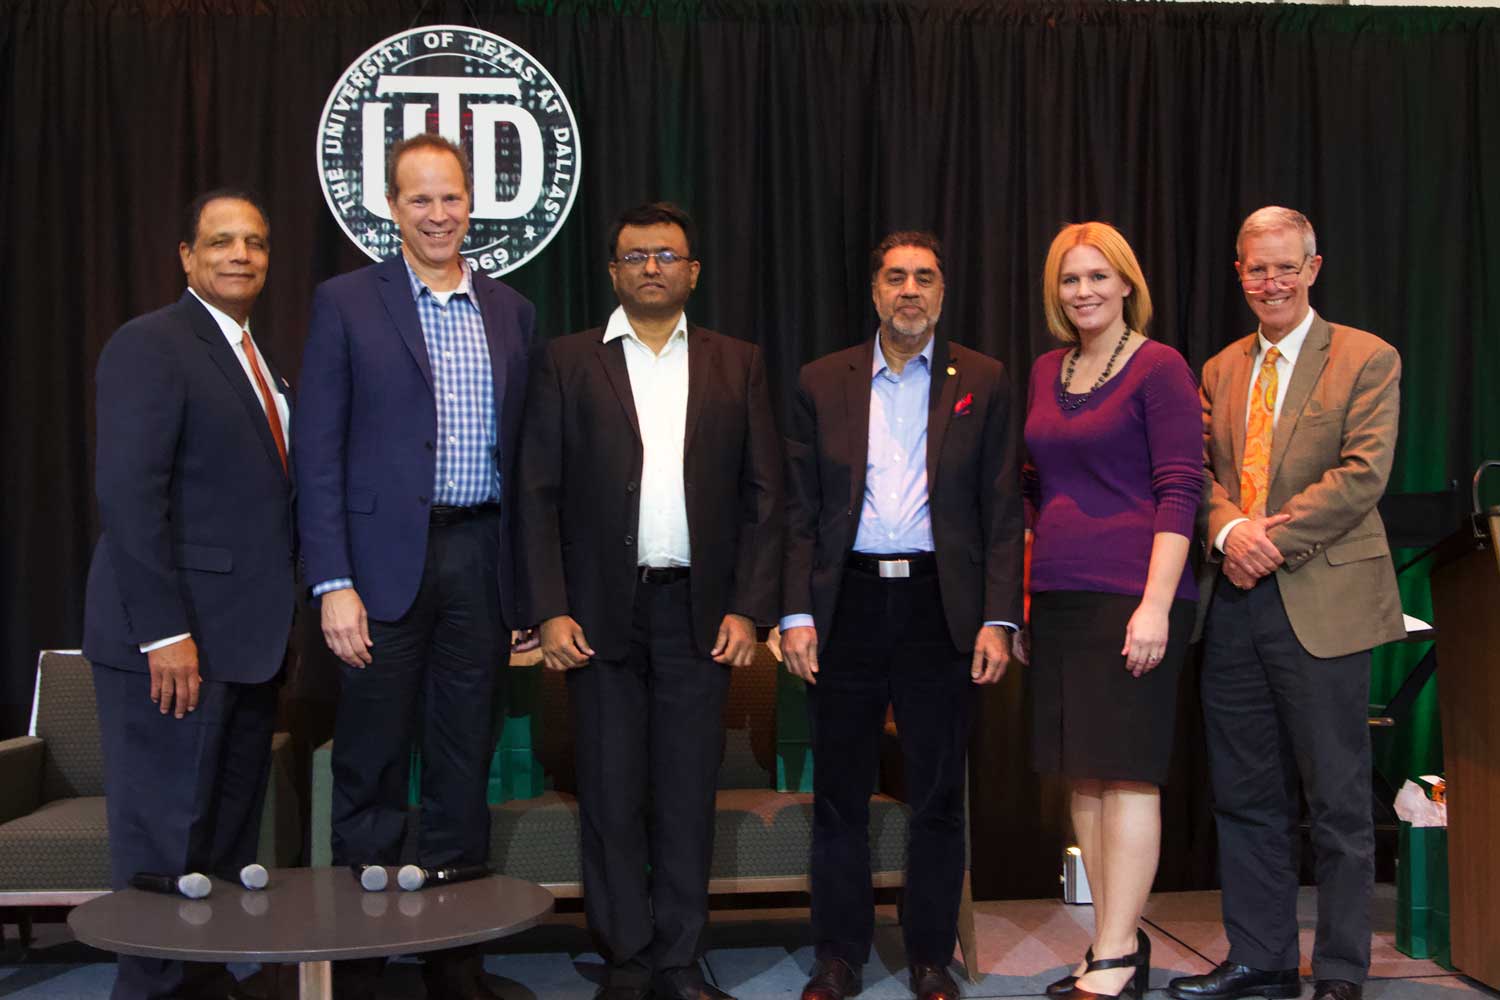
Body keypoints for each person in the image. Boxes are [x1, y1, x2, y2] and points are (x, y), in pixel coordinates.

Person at [517, 202, 783, 1000]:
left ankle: (678, 957)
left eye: (667, 255)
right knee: (607, 791)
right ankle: (626, 959)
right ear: (613, 273)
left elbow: (764, 497)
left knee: (685, 793)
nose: (652, 268)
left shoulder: (738, 363)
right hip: (598, 616)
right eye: (636, 256)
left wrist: (749, 609)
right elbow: (537, 495)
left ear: (692, 271)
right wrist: (550, 608)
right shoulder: (566, 362)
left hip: (700, 616)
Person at [293, 133, 534, 1000]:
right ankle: (359, 966)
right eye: (420, 198)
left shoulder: (511, 310)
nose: (439, 214)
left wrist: (524, 587)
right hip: (377, 568)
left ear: (473, 205)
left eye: (452, 197)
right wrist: (332, 582)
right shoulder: (346, 302)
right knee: (370, 763)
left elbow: (527, 459)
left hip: (479, 557)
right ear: (392, 209)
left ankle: (453, 960)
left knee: (464, 759)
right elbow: (316, 454)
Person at [1167, 207, 1403, 1000]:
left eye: (1286, 267)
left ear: (1314, 267)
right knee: (1244, 795)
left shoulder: (1368, 358)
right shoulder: (1218, 368)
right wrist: (1229, 530)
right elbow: (1192, 473)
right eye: (1256, 268)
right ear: (1238, 273)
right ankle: (1261, 959)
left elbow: (1363, 475)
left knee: (1337, 800)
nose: (1272, 281)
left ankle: (1339, 968)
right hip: (1232, 605)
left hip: (1322, 600)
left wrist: (1266, 540)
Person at [781, 231, 1024, 1000]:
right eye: (895, 277)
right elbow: (798, 510)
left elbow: (1002, 511)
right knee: (839, 796)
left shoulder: (981, 379)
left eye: (923, 278)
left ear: (942, 294)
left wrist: (999, 617)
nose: (909, 290)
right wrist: (794, 613)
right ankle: (839, 956)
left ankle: (928, 956)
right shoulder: (823, 381)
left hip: (939, 609)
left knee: (937, 796)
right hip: (844, 605)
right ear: (875, 292)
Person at [84, 190, 294, 1000]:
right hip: (173, 648)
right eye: (221, 242)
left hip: (244, 647)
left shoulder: (256, 355)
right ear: (186, 256)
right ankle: (151, 992)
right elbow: (131, 497)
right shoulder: (152, 345)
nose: (240, 254)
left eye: (255, 242)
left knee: (218, 850)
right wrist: (164, 632)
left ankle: (202, 988)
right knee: (162, 850)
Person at [1020, 222, 1201, 1000]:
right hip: (1060, 597)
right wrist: (1026, 598)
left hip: (1134, 596)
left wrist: (1156, 605)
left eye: (1099, 276)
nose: (1084, 291)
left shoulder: (1160, 368)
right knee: (1083, 778)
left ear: (1128, 283)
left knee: (1126, 776)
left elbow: (1181, 490)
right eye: (1070, 279)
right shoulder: (1045, 371)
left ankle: (1122, 951)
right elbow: (1035, 488)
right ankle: (1105, 945)